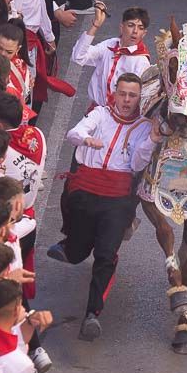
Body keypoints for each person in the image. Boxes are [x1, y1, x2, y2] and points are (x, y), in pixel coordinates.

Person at [47, 75, 155, 340]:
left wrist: (152, 139)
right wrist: (86, 140)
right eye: (123, 94)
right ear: (115, 94)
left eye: (132, 95)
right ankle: (70, 248)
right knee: (78, 251)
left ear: (139, 98)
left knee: (106, 254)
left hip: (117, 198)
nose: (127, 100)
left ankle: (92, 314)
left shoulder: (144, 126)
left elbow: (139, 163)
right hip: (86, 192)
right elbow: (74, 133)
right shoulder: (100, 114)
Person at [71, 5, 151, 108]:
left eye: (140, 28)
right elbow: (78, 57)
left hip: (120, 116)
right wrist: (95, 26)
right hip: (96, 110)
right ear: (122, 27)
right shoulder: (110, 44)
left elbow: (139, 97)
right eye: (131, 25)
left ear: (144, 34)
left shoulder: (141, 61)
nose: (135, 31)